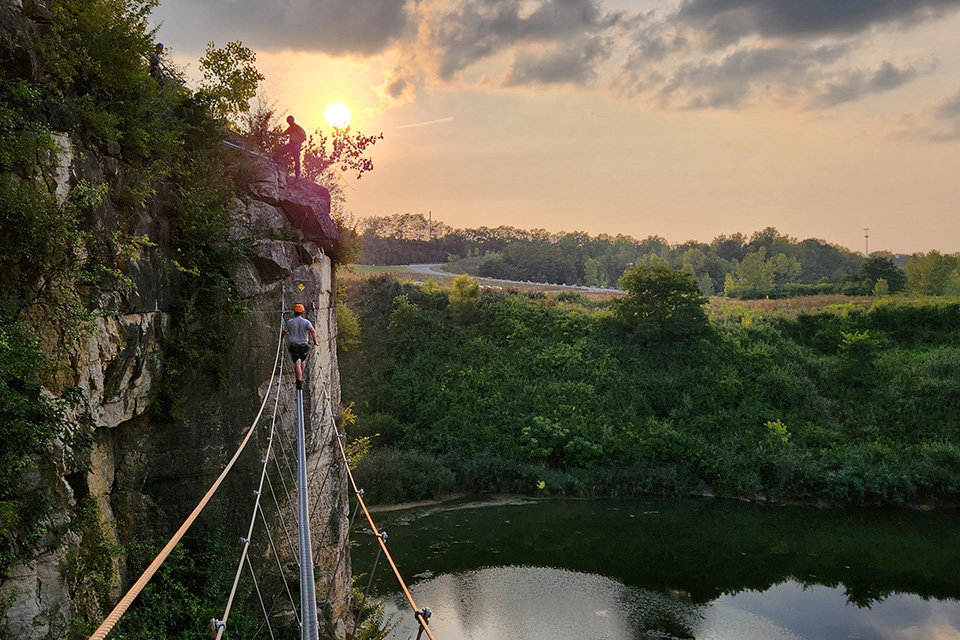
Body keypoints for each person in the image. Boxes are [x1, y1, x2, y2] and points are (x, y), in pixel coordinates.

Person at [282, 303, 318, 389]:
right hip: (304, 345)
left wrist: (282, 338)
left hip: (294, 345)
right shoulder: (306, 322)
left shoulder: (290, 322)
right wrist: (315, 341)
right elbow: (312, 331)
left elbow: (284, 331)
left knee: (297, 362)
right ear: (302, 312)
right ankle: (300, 378)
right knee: (302, 360)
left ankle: (299, 380)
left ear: (294, 312)